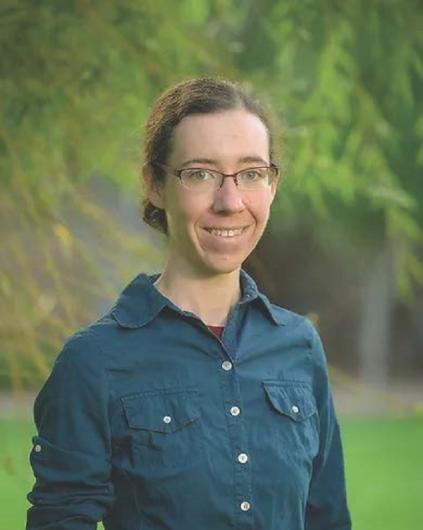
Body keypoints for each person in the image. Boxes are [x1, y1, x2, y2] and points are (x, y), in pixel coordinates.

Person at [26, 77, 352, 530]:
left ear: (272, 185)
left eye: (251, 173)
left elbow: (327, 517)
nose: (230, 201)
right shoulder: (93, 362)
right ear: (155, 185)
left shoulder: (298, 346)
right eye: (200, 173)